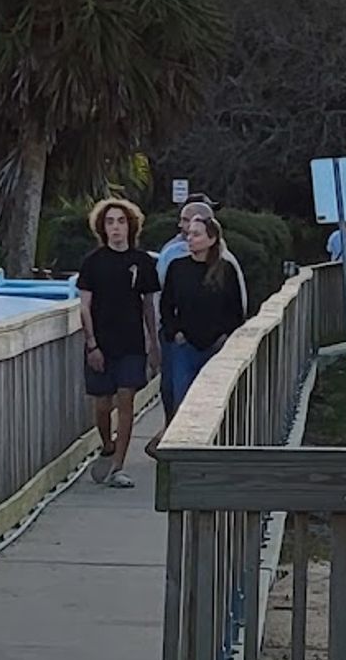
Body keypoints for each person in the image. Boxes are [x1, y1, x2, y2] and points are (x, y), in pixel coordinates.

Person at [79, 199, 160, 489]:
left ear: (130, 226)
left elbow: (148, 306)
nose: (116, 227)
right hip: (101, 343)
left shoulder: (143, 262)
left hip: (132, 344)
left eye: (121, 221)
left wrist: (153, 344)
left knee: (126, 399)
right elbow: (85, 307)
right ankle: (107, 444)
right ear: (103, 227)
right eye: (110, 222)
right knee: (103, 405)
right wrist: (91, 345)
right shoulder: (92, 262)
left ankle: (118, 467)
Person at [160, 215, 245, 413]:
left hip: (216, 347)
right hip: (184, 347)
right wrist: (174, 333)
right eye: (188, 234)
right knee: (181, 401)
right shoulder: (177, 267)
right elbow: (166, 305)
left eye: (196, 234)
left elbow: (235, 310)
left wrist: (224, 337)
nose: (190, 238)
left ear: (212, 238)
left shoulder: (226, 269)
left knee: (213, 404)